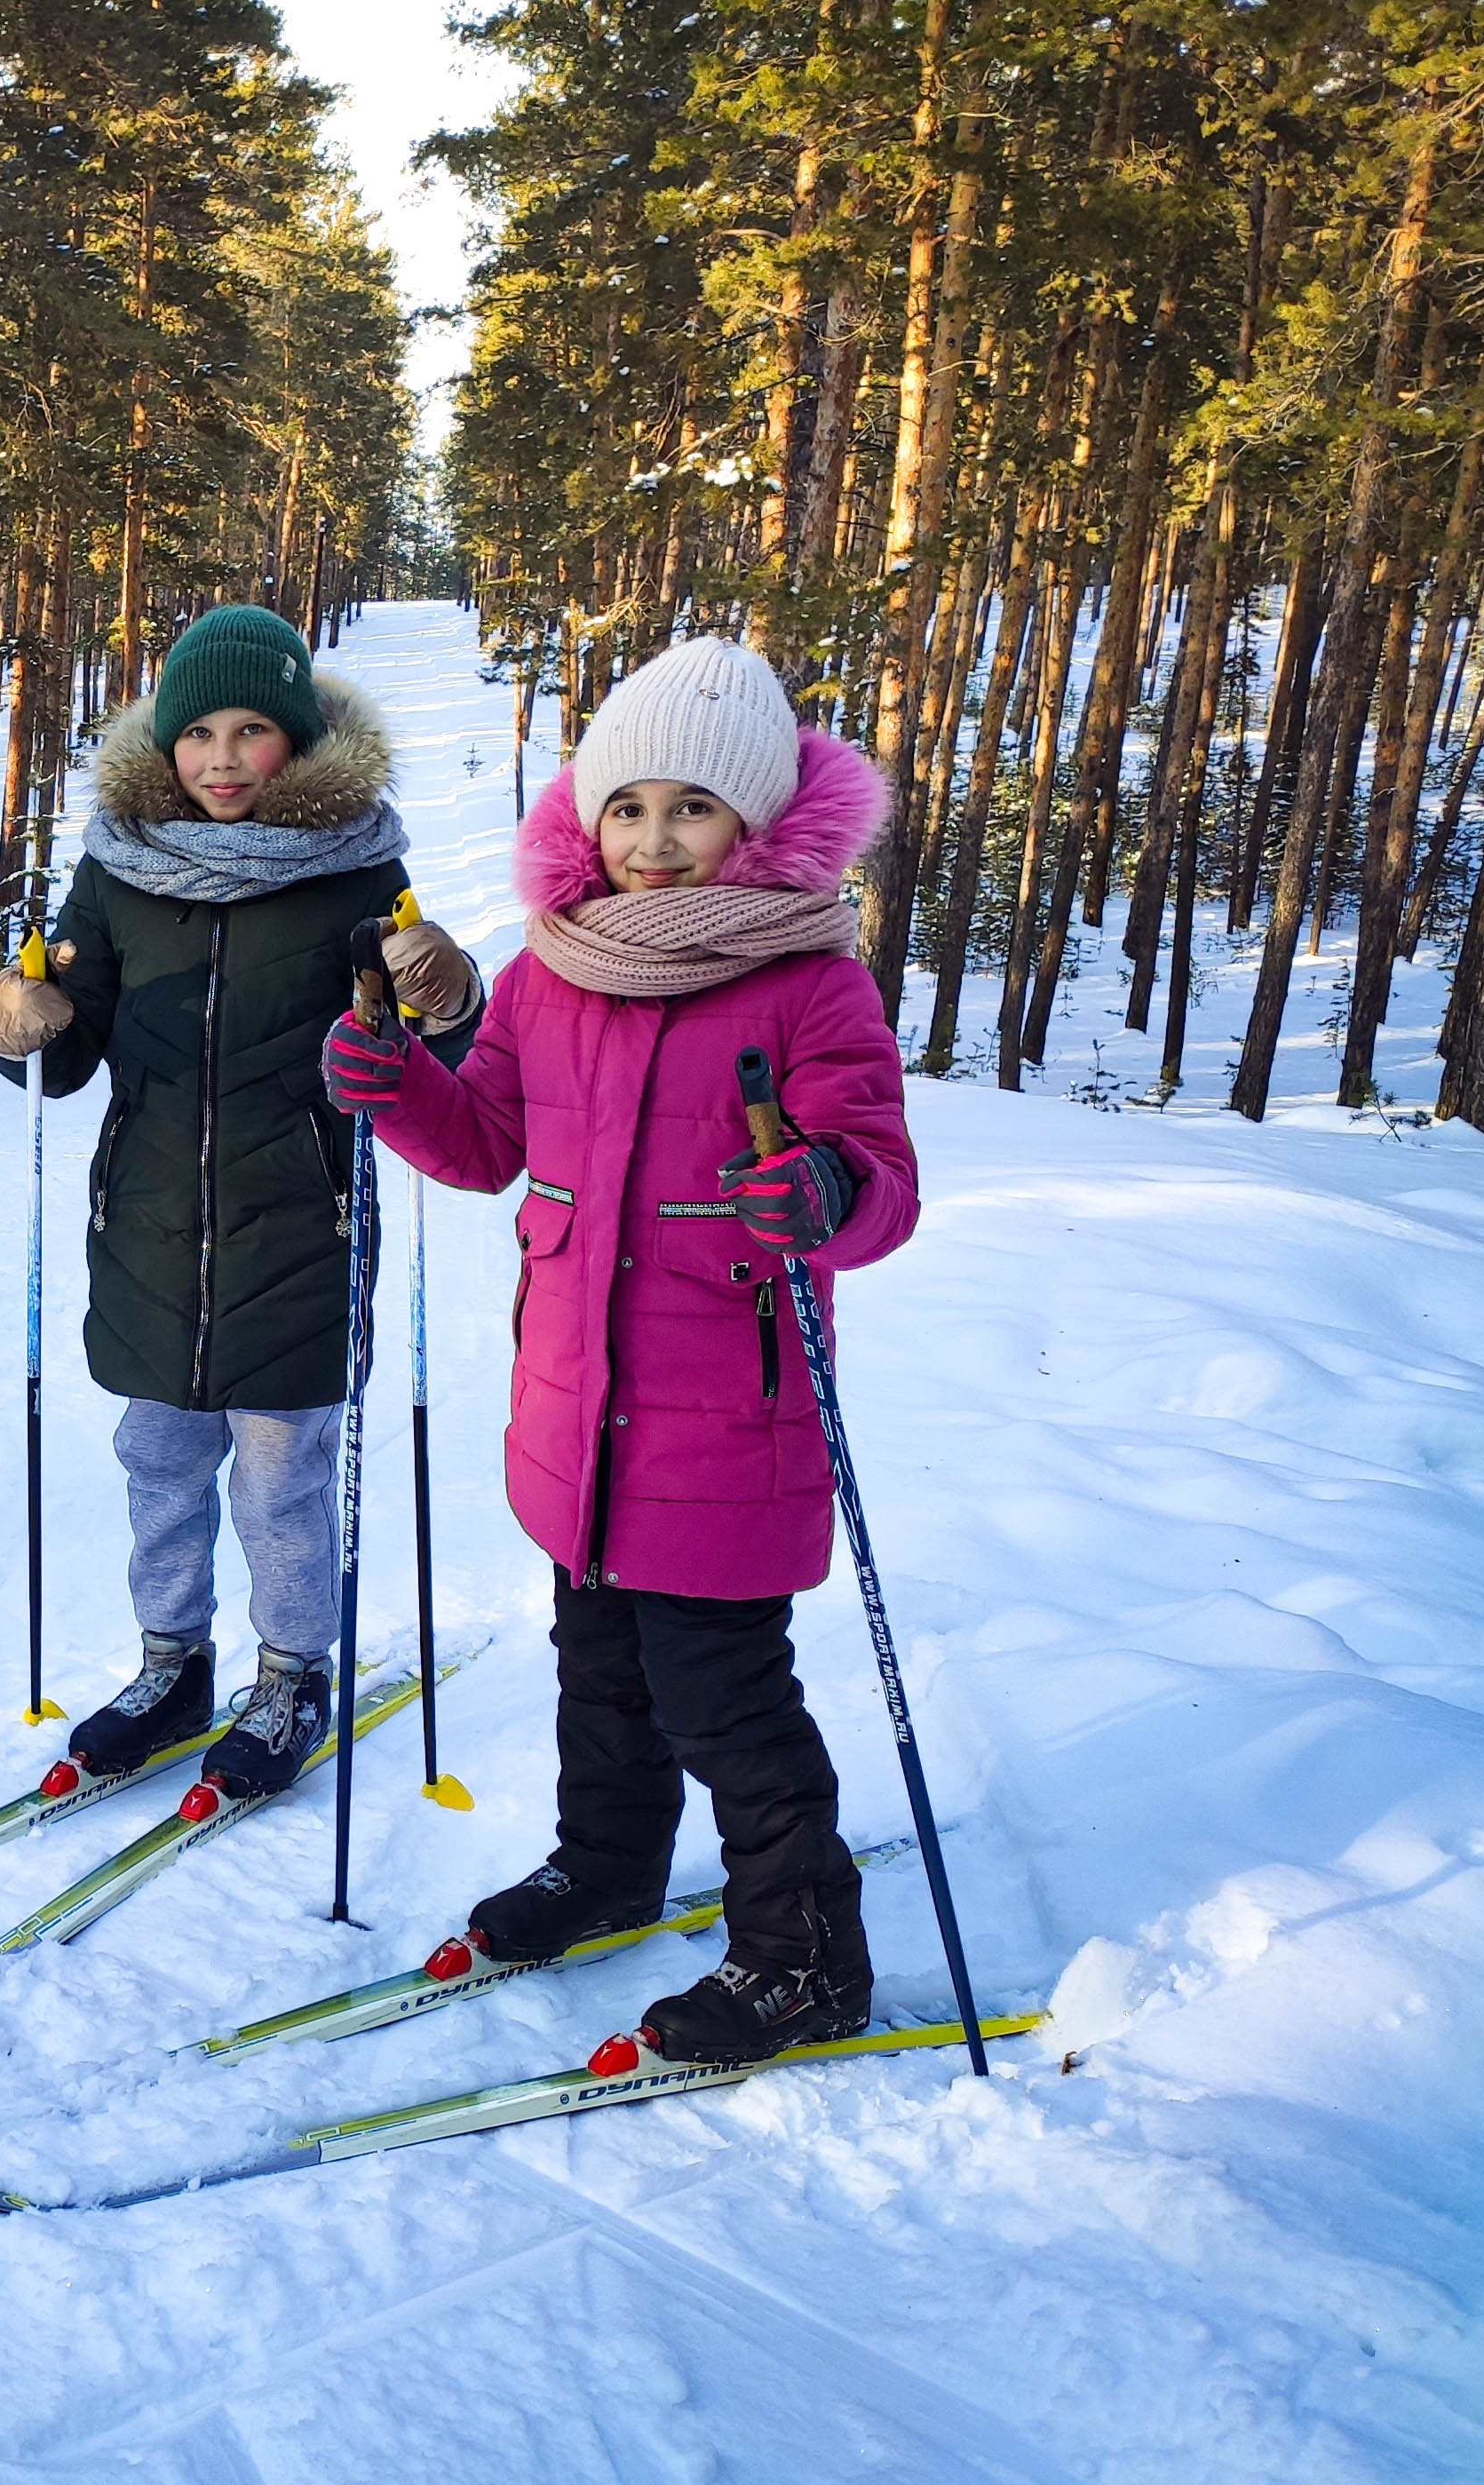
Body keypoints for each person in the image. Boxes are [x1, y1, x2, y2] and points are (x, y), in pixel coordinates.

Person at [321, 634, 919, 2064]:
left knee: (724, 1697)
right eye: (629, 807)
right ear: (588, 815)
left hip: (728, 1421)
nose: (655, 839)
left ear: (756, 822)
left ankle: (805, 1952)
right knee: (597, 1670)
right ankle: (609, 1866)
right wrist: (399, 1081)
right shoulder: (550, 971)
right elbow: (487, 1145)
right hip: (576, 1411)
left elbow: (881, 1181)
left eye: (693, 809)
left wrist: (822, 1189)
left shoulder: (808, 981)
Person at [0, 604, 474, 1805]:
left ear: (299, 745)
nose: (225, 756)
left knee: (278, 1476)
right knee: (156, 1458)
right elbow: (66, 1036)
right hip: (146, 1229)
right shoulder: (118, 866)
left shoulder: (356, 865)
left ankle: (293, 1670)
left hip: (304, 1225)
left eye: (256, 730)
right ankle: (171, 1664)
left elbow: (430, 1046)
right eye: (200, 730)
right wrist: (16, 1020)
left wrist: (447, 994)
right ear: (165, 742)